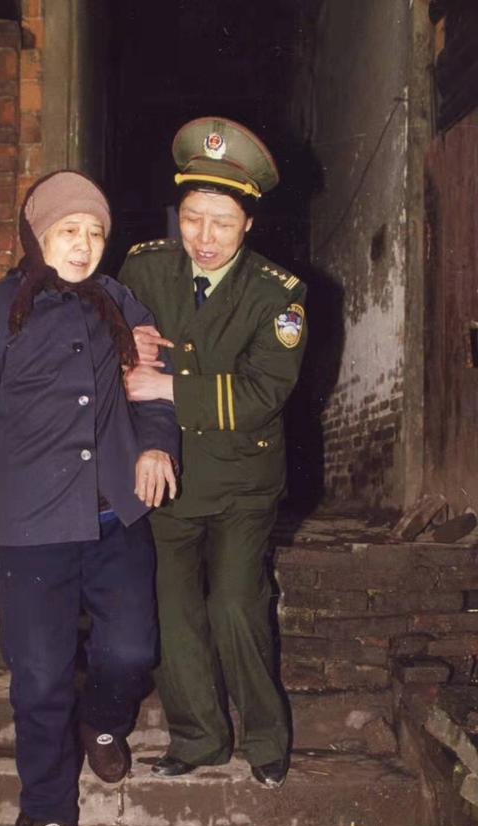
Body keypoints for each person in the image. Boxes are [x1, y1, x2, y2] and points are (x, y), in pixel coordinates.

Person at [0, 171, 179, 826]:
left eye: (95, 232)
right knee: (40, 676)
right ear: (39, 235)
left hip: (113, 515)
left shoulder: (119, 302)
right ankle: (47, 808)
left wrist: (157, 442)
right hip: (30, 528)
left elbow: (152, 389)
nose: (82, 244)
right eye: (68, 231)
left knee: (132, 650)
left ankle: (102, 721)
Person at [119, 117, 307, 789]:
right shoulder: (145, 268)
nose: (203, 237)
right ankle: (198, 736)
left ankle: (266, 738)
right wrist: (122, 349)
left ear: (248, 223)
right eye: (193, 218)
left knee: (233, 602)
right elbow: (111, 332)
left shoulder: (279, 296)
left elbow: (263, 392)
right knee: (173, 609)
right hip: (165, 472)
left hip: (242, 479)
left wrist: (167, 385)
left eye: (222, 223)